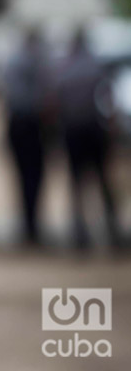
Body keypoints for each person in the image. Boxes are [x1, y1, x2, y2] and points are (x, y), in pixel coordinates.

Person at [55, 28, 122, 250]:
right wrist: (111, 127)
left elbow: (54, 101)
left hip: (74, 129)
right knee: (102, 181)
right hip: (92, 128)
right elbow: (108, 98)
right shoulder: (94, 65)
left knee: (77, 183)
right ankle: (112, 231)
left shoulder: (64, 67)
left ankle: (79, 232)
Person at [3, 28, 49, 246]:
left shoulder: (13, 61)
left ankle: (28, 224)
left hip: (19, 123)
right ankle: (32, 225)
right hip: (32, 123)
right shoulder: (41, 62)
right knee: (35, 177)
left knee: (23, 178)